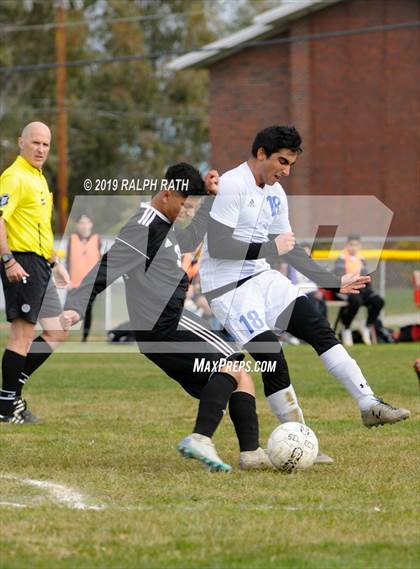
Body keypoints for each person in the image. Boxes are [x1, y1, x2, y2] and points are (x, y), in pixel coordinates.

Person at [61, 163, 271, 472]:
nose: (188, 211)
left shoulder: (166, 225)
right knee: (231, 363)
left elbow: (188, 241)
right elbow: (107, 266)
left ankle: (251, 454)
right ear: (167, 193)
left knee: (240, 377)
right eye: (186, 205)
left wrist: (208, 200)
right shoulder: (143, 225)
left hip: (165, 325)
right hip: (165, 324)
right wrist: (76, 305)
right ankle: (200, 438)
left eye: (193, 206)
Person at [199, 125, 410, 430]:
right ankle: (298, 437)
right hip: (227, 288)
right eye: (282, 162)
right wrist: (272, 247)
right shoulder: (232, 184)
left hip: (261, 277)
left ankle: (369, 404)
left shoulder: (276, 194)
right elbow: (219, 247)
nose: (286, 171)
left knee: (318, 327)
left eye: (291, 165)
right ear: (261, 153)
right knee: (272, 354)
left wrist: (332, 281)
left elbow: (290, 250)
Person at [0, 121, 70, 424]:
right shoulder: (13, 177)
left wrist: (55, 262)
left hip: (41, 264)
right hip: (22, 263)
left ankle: (11, 394)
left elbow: (40, 227)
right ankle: (6, 406)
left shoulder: (39, 178)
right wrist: (8, 261)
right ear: (21, 142)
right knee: (22, 336)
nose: (41, 149)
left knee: (57, 330)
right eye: (35, 143)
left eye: (45, 144)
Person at [334, 234, 385, 346]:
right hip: (346, 290)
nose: (354, 247)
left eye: (356, 245)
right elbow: (339, 278)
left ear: (360, 246)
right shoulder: (341, 259)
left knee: (378, 301)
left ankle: (367, 327)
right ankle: (346, 327)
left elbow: (366, 278)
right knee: (356, 301)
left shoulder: (361, 259)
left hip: (361, 290)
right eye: (351, 245)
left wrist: (368, 291)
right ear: (347, 245)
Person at [67, 214, 102, 341]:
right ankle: (62, 335)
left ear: (91, 224)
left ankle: (84, 337)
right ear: (77, 225)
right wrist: (67, 279)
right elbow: (68, 261)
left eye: (87, 222)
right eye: (81, 222)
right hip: (74, 283)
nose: (84, 225)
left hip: (90, 284)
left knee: (87, 310)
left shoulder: (97, 239)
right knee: (69, 309)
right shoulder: (72, 239)